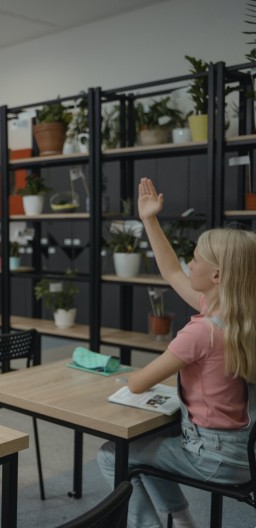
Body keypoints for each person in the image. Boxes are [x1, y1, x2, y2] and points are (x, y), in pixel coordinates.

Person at [97, 177, 256, 528]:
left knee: (114, 455)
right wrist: (150, 219)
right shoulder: (240, 315)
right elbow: (170, 271)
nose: (189, 263)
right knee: (147, 448)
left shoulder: (202, 331)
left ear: (216, 275)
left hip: (211, 457)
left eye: (195, 259)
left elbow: (138, 383)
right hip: (243, 451)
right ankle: (183, 522)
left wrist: (128, 376)